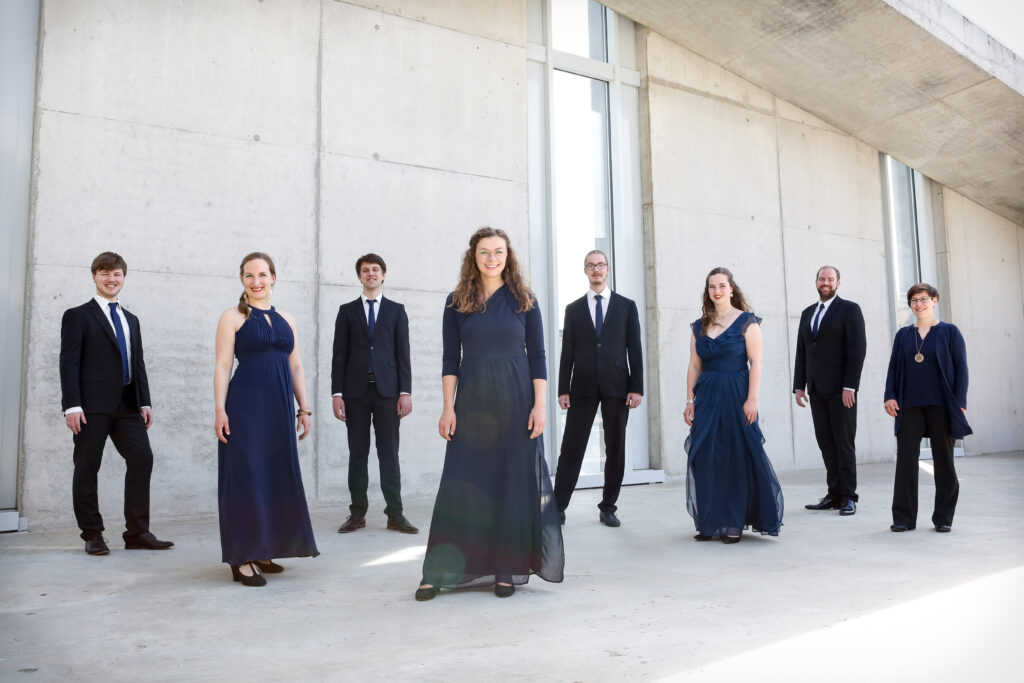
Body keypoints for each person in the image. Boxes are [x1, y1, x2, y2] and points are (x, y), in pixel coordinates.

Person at [416, 227, 564, 601]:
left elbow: (540, 357)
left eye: (498, 251)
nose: (492, 258)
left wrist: (539, 405)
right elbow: (451, 359)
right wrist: (448, 407)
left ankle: (505, 566)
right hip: (472, 405)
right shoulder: (456, 302)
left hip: (516, 404)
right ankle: (439, 569)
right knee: (461, 484)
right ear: (474, 256)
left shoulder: (524, 300)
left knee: (509, 485)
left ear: (508, 256)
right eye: (484, 252)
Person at [214, 252, 319, 586]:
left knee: (273, 477)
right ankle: (241, 557)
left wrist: (303, 408)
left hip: (278, 408)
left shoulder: (286, 318)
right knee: (245, 478)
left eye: (262, 274)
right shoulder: (232, 316)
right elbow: (222, 365)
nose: (256, 281)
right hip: (245, 406)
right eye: (249, 276)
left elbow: (296, 365)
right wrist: (220, 409)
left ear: (273, 277)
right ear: (242, 280)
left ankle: (262, 549)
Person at [59, 251, 174, 555]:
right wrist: (72, 405)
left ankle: (137, 532)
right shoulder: (78, 315)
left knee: (142, 459)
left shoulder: (131, 319)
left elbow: (138, 364)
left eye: (117, 274)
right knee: (87, 467)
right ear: (95, 276)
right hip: (90, 407)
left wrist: (145, 401)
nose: (111, 279)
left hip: (127, 406)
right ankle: (92, 533)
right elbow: (68, 362)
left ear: (124, 277)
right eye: (104, 273)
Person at [683, 267, 783, 543]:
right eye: (712, 286)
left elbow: (757, 362)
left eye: (722, 285)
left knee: (734, 457)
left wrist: (752, 399)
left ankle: (733, 522)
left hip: (737, 394)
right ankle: (709, 520)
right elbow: (694, 365)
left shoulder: (747, 322)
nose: (717, 291)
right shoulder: (699, 325)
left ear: (731, 289)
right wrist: (690, 400)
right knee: (706, 456)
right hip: (707, 396)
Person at [553, 249, 644, 528]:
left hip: (618, 387)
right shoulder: (573, 309)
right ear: (585, 270)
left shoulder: (627, 306)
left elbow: (635, 349)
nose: (596, 269)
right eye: (591, 265)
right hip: (581, 386)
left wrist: (636, 386)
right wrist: (562, 389)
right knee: (572, 447)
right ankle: (557, 507)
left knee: (615, 448)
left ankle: (608, 507)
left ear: (608, 269)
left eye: (600, 265)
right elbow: (566, 351)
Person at [332, 253, 417, 534]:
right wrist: (337, 393)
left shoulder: (396, 310)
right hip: (355, 393)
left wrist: (405, 391)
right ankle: (357, 514)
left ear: (383, 275)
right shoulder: (346, 311)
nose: (371, 274)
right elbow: (339, 356)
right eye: (366, 270)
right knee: (358, 453)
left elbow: (403, 353)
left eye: (375, 270)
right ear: (359, 276)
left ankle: (395, 513)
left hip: (388, 393)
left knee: (388, 454)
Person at [884, 283, 970, 533]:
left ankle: (943, 518)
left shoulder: (950, 332)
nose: (919, 304)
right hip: (909, 406)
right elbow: (893, 368)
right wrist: (889, 396)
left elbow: (962, 369)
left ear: (934, 300)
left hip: (942, 405)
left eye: (923, 299)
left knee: (944, 462)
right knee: (906, 462)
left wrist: (960, 402)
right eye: (914, 300)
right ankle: (903, 518)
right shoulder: (903, 335)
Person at [793, 266, 866, 516]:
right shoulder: (807, 313)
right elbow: (802, 351)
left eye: (830, 279)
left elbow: (857, 350)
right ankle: (834, 494)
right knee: (825, 442)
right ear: (816, 282)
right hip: (816, 390)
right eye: (822, 279)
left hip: (841, 390)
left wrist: (850, 386)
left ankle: (848, 496)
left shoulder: (849, 310)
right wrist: (798, 386)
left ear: (838, 283)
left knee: (843, 443)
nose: (826, 282)